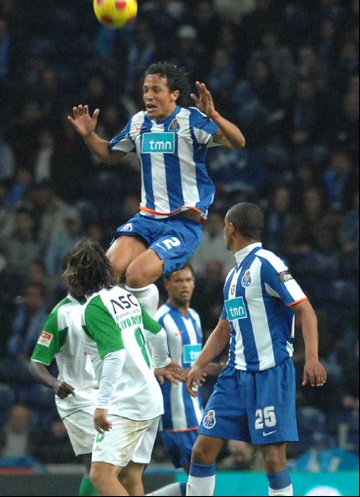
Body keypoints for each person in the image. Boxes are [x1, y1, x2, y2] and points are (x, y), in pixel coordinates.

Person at [67, 61, 245, 317]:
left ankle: (148, 330)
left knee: (136, 276)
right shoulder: (139, 122)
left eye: (156, 90)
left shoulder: (191, 120)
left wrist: (214, 116)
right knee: (104, 275)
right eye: (145, 90)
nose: (148, 96)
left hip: (182, 224)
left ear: (174, 94)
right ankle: (113, 329)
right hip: (146, 220)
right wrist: (89, 136)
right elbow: (109, 154)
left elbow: (238, 142)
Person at [184, 202, 327, 496]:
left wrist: (312, 358)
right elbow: (224, 328)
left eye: (225, 227)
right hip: (234, 377)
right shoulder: (233, 276)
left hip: (270, 374)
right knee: (202, 451)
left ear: (231, 228)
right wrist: (198, 364)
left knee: (273, 460)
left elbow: (306, 310)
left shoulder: (268, 263)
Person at [61, 238, 184, 496]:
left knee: (100, 475)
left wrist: (102, 405)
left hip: (127, 402)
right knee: (130, 477)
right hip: (151, 398)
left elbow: (115, 355)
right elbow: (157, 332)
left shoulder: (93, 307)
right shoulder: (124, 296)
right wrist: (161, 362)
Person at [148, 264, 224, 496]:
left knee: (200, 485)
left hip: (196, 409)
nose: (185, 285)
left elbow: (193, 365)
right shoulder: (159, 319)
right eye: (178, 280)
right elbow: (149, 363)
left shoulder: (194, 317)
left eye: (188, 280)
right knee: (200, 482)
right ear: (167, 284)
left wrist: (219, 368)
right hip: (176, 415)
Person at [29, 271, 101, 496]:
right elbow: (36, 363)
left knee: (112, 466)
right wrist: (54, 383)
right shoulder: (60, 314)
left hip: (107, 394)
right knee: (96, 463)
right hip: (78, 397)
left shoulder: (103, 305)